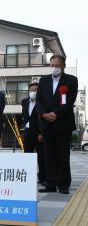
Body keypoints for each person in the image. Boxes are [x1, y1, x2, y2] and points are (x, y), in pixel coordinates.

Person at [37, 55, 78, 194]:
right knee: (48, 154)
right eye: (52, 65)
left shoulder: (71, 80)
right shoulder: (43, 80)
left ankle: (63, 183)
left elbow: (69, 101)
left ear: (63, 66)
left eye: (57, 65)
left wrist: (56, 114)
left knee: (63, 154)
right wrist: (44, 114)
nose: (54, 68)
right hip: (46, 124)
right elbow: (39, 101)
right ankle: (50, 183)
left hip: (62, 123)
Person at [21, 82, 46, 184]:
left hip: (39, 133)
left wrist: (42, 133)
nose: (33, 92)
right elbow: (25, 116)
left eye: (36, 90)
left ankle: (43, 177)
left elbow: (43, 119)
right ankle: (28, 176)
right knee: (27, 155)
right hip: (28, 132)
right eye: (31, 90)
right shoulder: (24, 101)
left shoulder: (43, 102)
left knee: (42, 156)